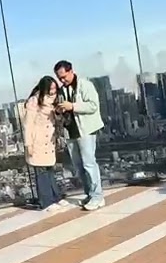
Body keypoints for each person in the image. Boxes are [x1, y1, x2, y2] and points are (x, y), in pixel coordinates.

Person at [54, 60, 106, 211]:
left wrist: (72, 106)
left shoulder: (85, 85)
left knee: (89, 163)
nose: (62, 80)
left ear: (71, 71)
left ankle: (98, 196)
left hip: (86, 130)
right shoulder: (62, 90)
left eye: (64, 76)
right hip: (71, 131)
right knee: (79, 166)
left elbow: (93, 106)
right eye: (59, 78)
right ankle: (90, 194)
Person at [24, 76, 67, 212]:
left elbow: (59, 121)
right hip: (37, 141)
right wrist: (28, 144)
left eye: (55, 88)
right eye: (50, 89)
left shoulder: (55, 101)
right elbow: (28, 125)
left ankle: (55, 197)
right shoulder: (34, 101)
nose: (53, 91)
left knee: (49, 169)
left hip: (49, 141)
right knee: (41, 171)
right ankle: (46, 201)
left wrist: (59, 112)